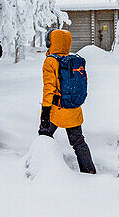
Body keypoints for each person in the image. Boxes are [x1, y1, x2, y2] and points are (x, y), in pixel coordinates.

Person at [39, 29, 96, 174]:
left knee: (44, 138)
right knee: (78, 141)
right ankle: (89, 171)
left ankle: (43, 170)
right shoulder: (73, 60)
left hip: (56, 109)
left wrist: (45, 112)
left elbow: (49, 89)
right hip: (73, 107)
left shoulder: (50, 62)